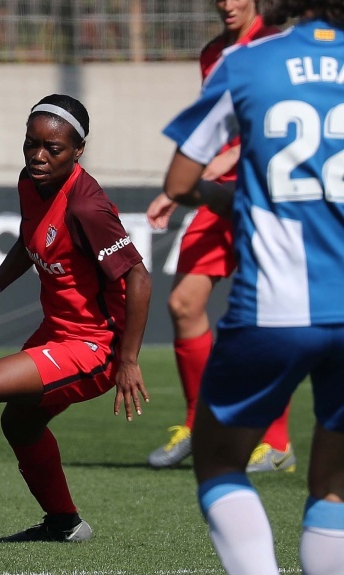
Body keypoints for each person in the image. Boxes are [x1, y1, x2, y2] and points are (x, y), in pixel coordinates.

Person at [0, 94, 152, 543]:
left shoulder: (86, 207)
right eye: (30, 144)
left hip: (94, 347)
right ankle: (64, 523)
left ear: (78, 150)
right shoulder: (32, 181)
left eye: (53, 148)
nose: (38, 156)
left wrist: (129, 359)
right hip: (59, 334)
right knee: (20, 423)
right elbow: (29, 240)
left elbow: (138, 276)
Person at [162, 1, 344, 575]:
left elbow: (180, 183)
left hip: (276, 307)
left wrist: (232, 202)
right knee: (335, 486)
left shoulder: (246, 62)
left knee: (218, 462)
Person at [145, 0, 296, 473]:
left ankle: (276, 443)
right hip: (216, 197)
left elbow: (288, 117)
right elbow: (212, 127)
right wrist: (179, 190)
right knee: (184, 304)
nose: (228, 3)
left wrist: (232, 158)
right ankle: (200, 425)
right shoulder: (213, 52)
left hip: (265, 193)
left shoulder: (277, 45)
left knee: (269, 313)